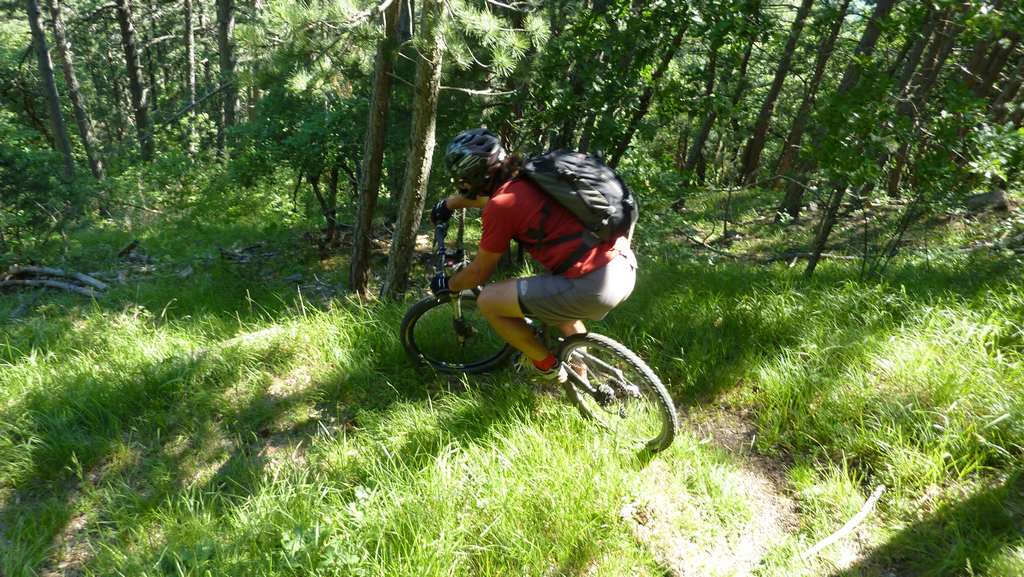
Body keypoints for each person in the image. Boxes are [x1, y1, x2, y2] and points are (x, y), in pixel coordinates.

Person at [429, 128, 637, 382]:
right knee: (556, 300)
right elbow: (495, 200)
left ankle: (547, 366)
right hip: (622, 266)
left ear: (471, 177)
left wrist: (449, 285)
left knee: (489, 301)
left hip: (594, 288)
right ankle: (582, 375)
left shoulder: (501, 206)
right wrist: (449, 205)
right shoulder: (531, 176)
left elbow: (480, 272)